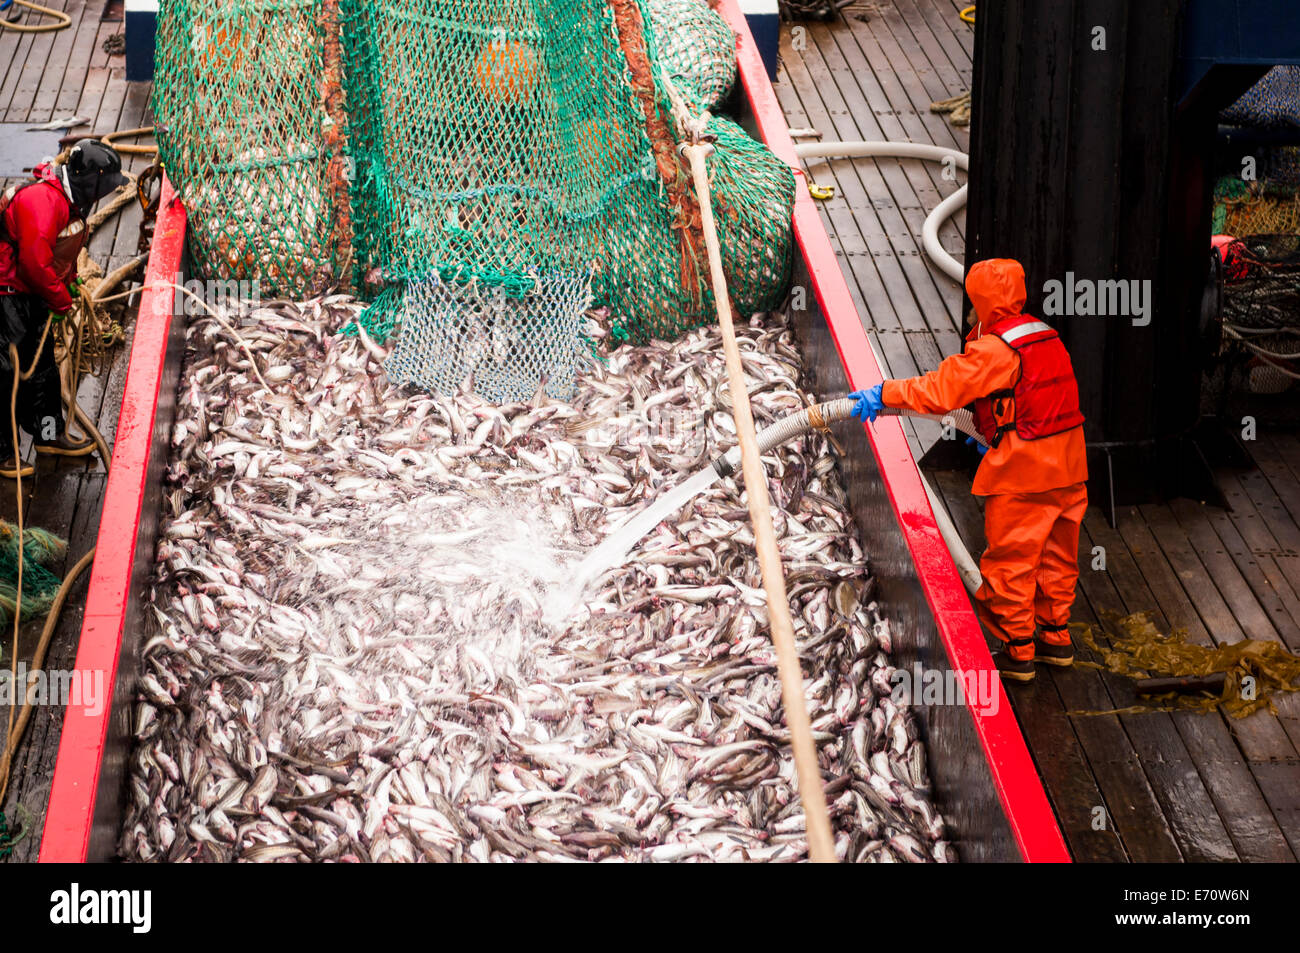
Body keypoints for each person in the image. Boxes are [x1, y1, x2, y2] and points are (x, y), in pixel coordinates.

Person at [849, 258, 1088, 682]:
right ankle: (1056, 636)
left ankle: (1019, 653)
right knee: (1057, 557)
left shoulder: (995, 350)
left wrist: (882, 393)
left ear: (982, 301)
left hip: (1025, 474)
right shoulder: (1045, 335)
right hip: (1070, 468)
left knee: (1013, 562)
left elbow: (938, 392)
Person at [0, 140, 125, 477]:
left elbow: (54, 258)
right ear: (89, 182)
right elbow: (33, 264)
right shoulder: (42, 202)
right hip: (7, 292)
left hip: (31, 292)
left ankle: (48, 437)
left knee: (42, 372)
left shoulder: (69, 201)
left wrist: (68, 282)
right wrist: (61, 299)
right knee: (6, 374)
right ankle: (1, 453)